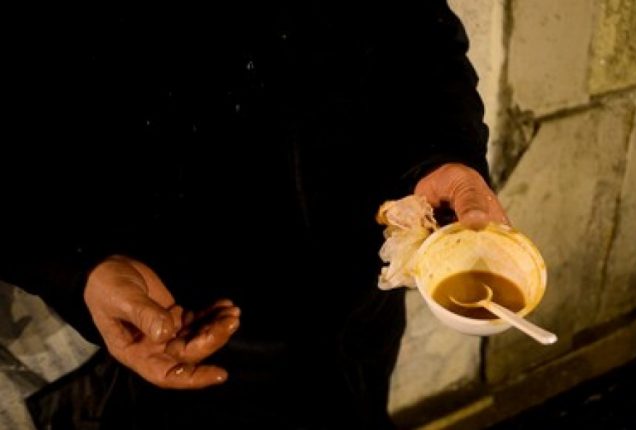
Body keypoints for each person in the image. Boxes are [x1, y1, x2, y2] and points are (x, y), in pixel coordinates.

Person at [1, 1, 508, 428]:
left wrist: (444, 156)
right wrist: (76, 267)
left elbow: (419, 36)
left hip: (359, 303)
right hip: (179, 319)